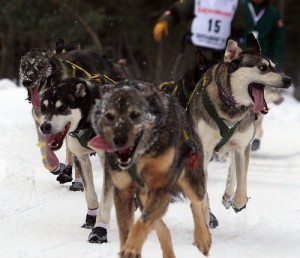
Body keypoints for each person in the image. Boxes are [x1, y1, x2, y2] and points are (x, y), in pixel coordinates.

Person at [153, 0, 246, 83]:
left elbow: (237, 31)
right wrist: (165, 20)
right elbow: (176, 11)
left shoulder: (235, 3)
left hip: (218, 55)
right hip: (192, 51)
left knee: (213, 88)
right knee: (181, 83)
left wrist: (230, 56)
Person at [242, 0, 284, 71]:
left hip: (263, 60)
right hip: (241, 57)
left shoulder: (273, 13)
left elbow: (278, 41)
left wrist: (276, 63)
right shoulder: (241, 6)